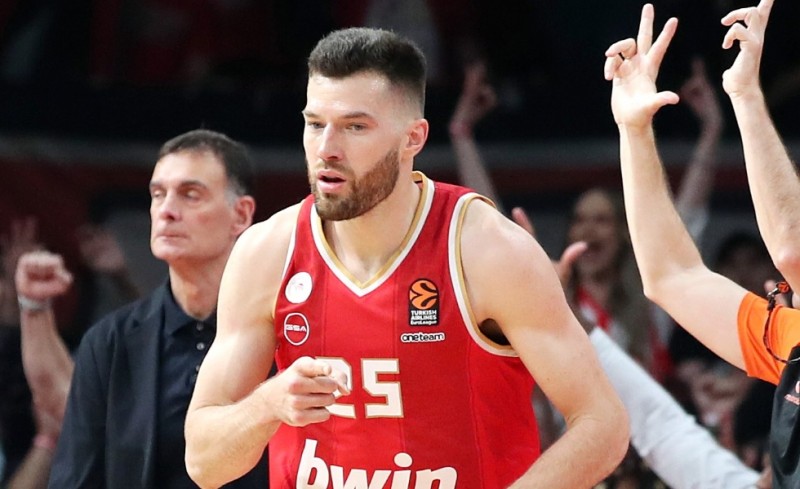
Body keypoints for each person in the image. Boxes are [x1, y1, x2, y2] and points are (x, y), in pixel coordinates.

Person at [185, 27, 628, 488]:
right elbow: (203, 463)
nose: (326, 149)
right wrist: (268, 404)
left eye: (355, 127)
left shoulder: (487, 249)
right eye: (315, 124)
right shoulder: (267, 252)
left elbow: (603, 424)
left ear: (412, 139)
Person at [448, 61, 763, 489]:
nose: (589, 230)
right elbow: (492, 225)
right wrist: (461, 136)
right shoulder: (543, 294)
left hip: (647, 466)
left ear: (622, 234)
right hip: (562, 462)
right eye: (581, 220)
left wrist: (711, 131)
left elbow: (684, 224)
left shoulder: (651, 305)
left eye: (602, 220)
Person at [603, 0, 796, 485]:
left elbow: (791, 250)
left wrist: (747, 100)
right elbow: (671, 277)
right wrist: (634, 131)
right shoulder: (790, 340)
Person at [39, 129, 268, 487]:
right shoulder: (109, 343)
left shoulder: (289, 333)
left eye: (190, 195)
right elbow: (75, 479)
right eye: (158, 194)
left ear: (241, 214)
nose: (166, 211)